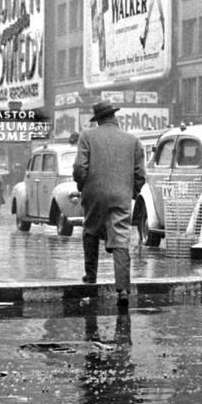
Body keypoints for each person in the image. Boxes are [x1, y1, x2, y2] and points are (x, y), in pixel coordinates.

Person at [73, 100, 145, 303]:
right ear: (115, 117)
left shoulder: (87, 136)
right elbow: (140, 174)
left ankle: (90, 277)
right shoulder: (132, 140)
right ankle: (123, 290)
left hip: (94, 193)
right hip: (121, 195)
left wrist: (82, 186)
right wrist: (131, 192)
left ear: (98, 120)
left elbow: (80, 168)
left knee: (90, 230)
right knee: (121, 238)